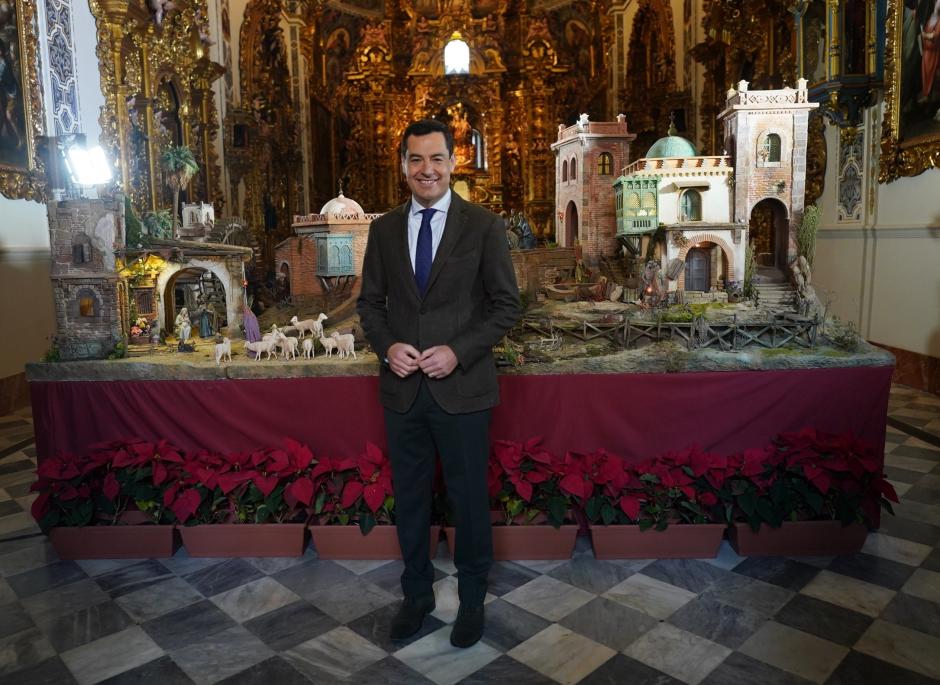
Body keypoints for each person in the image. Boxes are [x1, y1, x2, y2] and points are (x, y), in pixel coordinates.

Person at [357, 119, 520, 648]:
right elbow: (369, 305)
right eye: (415, 160)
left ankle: (472, 602)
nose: (425, 169)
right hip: (404, 392)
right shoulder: (382, 230)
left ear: (453, 162)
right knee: (411, 502)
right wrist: (388, 347)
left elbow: (505, 307)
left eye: (435, 159)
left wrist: (458, 350)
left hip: (463, 388)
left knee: (469, 499)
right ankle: (417, 597)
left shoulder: (484, 227)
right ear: (403, 166)